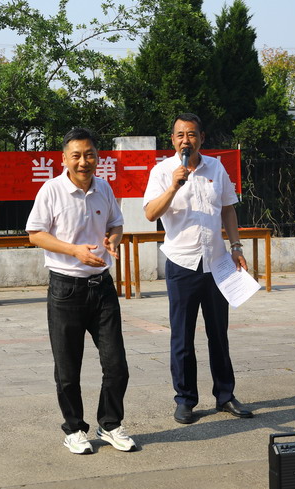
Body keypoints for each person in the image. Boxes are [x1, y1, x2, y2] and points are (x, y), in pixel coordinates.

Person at [26, 127, 137, 454]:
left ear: (97, 157)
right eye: (76, 155)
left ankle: (110, 424)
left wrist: (113, 239)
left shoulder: (104, 188)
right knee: (67, 369)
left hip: (102, 287)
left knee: (117, 365)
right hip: (66, 289)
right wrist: (74, 250)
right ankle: (74, 429)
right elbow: (35, 234)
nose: (83, 162)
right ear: (64, 159)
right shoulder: (51, 190)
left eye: (89, 155)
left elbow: (116, 223)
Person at [143, 113, 254, 424]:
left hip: (216, 263)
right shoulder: (162, 172)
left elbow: (228, 209)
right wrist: (173, 187)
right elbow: (150, 213)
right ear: (172, 140)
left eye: (191, 134)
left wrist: (236, 247)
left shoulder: (216, 168)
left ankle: (225, 395)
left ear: (201, 138)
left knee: (219, 334)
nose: (185, 140)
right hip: (182, 264)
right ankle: (185, 400)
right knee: (182, 336)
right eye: (180, 135)